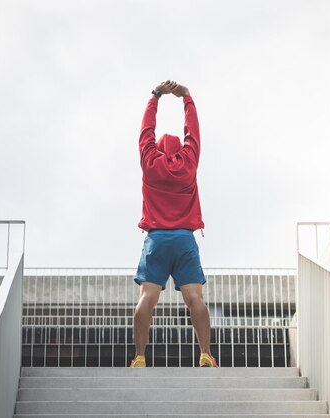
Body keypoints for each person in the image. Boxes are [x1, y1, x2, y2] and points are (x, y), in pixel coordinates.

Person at [131, 80, 217, 368]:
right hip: (184, 239)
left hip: (156, 239)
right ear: (180, 150)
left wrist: (155, 96)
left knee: (148, 297)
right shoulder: (188, 162)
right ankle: (205, 353)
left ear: (156, 149)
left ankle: (140, 357)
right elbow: (193, 133)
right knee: (195, 297)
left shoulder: (149, 162)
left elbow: (145, 131)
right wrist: (186, 98)